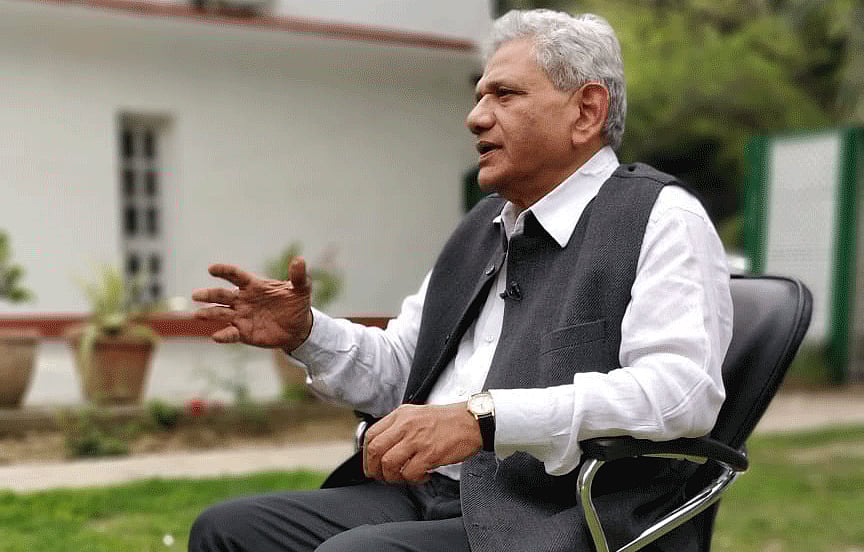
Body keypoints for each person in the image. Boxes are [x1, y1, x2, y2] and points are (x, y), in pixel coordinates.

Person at [188, 9, 732, 552]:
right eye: (478, 97)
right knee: (226, 532)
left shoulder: (660, 219)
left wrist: (486, 418)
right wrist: (305, 332)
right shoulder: (484, 227)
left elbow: (681, 392)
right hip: (430, 495)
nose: (475, 117)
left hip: (549, 516)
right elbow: (403, 369)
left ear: (586, 111)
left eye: (504, 95)